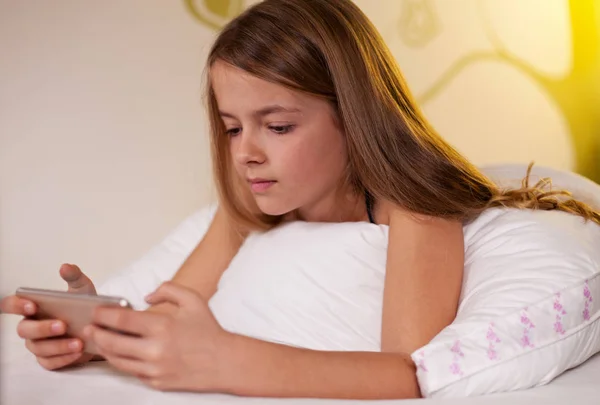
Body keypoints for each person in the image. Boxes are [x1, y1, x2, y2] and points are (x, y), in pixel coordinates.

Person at [2, 0, 599, 399]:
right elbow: (174, 316)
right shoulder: (253, 196)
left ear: (355, 117)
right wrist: (96, 331)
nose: (245, 153)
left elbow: (412, 373)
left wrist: (227, 362)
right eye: (233, 127)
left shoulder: (413, 208)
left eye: (278, 126)